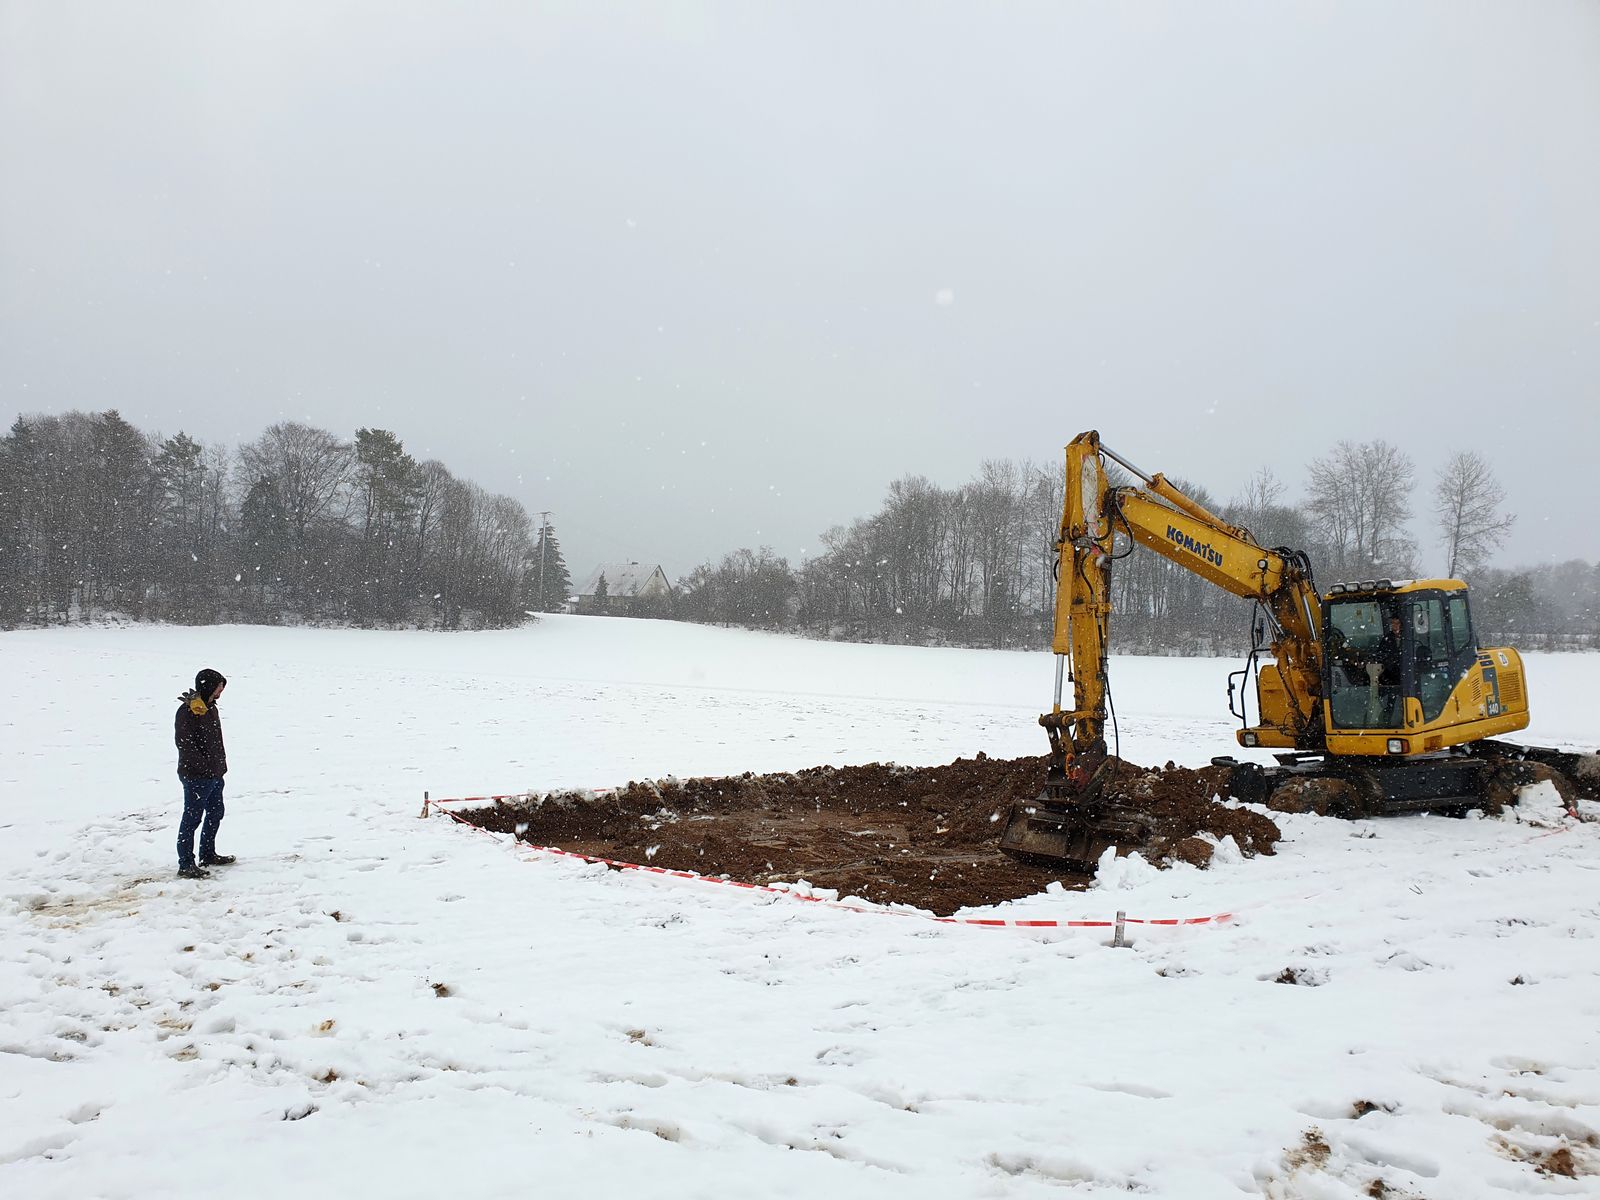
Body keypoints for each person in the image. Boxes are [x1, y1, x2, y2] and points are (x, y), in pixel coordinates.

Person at [175, 668, 233, 879]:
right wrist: (205, 769)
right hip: (196, 776)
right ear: (209, 686)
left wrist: (219, 768)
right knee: (192, 818)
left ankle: (207, 854)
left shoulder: (210, 708)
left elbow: (216, 742)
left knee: (216, 812)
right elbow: (185, 745)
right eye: (219, 687)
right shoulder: (188, 711)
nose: (221, 691)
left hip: (215, 774)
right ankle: (186, 863)